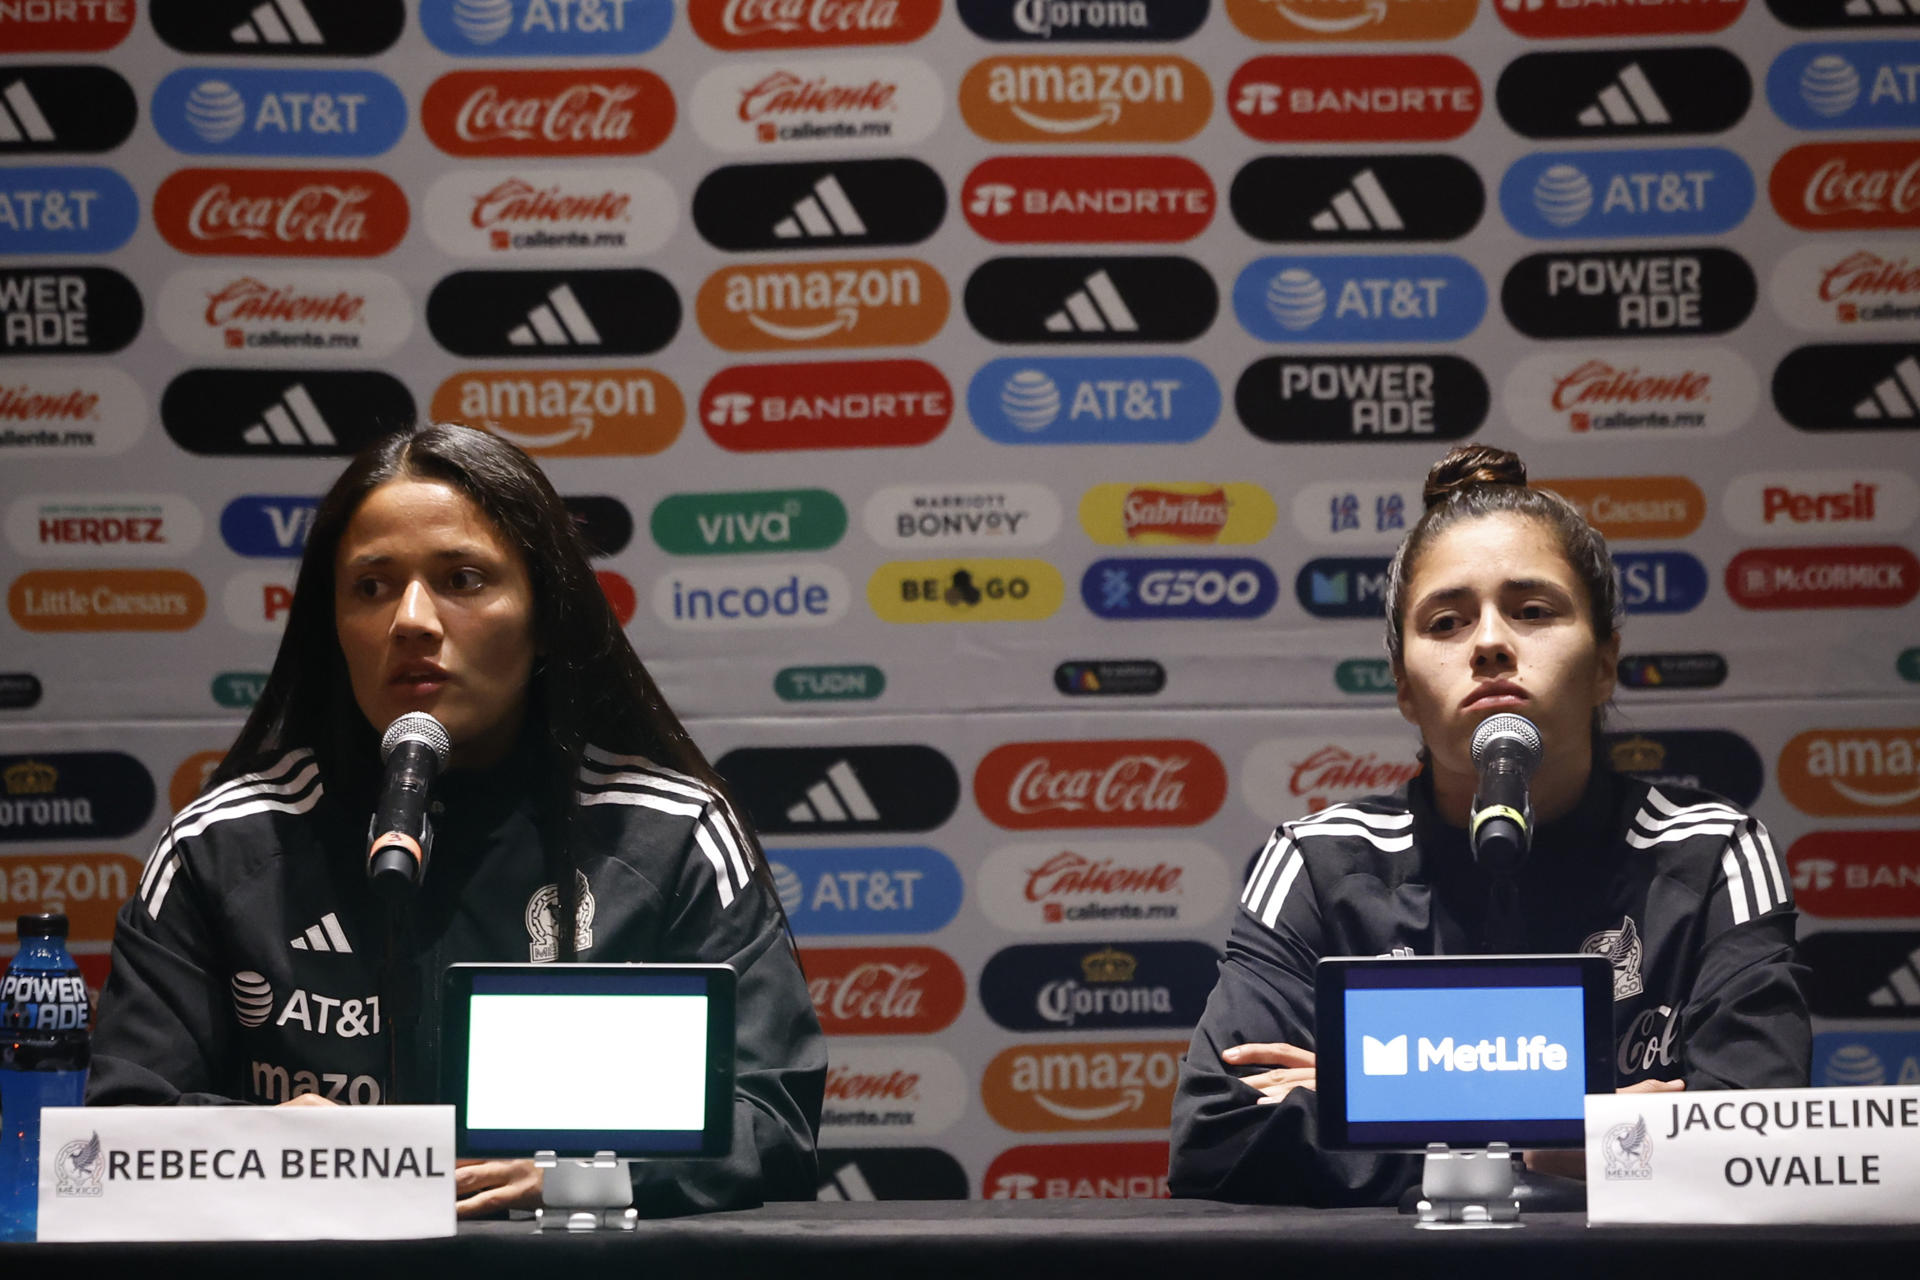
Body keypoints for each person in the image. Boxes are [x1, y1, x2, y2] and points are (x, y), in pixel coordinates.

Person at [88, 423, 826, 1216]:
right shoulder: (223, 845)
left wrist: (581, 1177)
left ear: (545, 619)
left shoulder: (669, 835)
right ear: (330, 627)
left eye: (463, 579)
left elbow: (774, 1122)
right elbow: (112, 1130)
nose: (411, 619)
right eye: (371, 586)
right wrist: (266, 1145)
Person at [1168, 444, 1810, 1206]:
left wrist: (1374, 1102)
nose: (1490, 643)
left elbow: (1757, 1146)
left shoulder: (1712, 854)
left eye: (1533, 610)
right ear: (1405, 687)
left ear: (1605, 662)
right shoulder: (1315, 864)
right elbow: (1217, 1137)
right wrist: (1572, 1140)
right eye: (1446, 621)